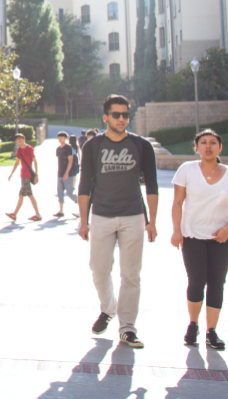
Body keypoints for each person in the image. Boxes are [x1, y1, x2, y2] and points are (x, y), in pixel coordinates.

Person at [77, 94, 158, 349]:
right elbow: (84, 184)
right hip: (101, 215)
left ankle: (127, 327)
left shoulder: (142, 146)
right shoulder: (93, 146)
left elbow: (153, 185)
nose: (122, 119)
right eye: (116, 115)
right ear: (105, 117)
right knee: (99, 269)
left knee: (131, 274)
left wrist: (151, 220)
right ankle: (109, 308)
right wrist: (83, 220)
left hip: (133, 216)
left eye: (125, 115)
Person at [170, 129, 228, 350]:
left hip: (221, 238)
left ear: (220, 148)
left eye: (213, 142)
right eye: (203, 142)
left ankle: (211, 331)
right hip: (192, 236)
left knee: (216, 283)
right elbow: (177, 203)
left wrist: (227, 228)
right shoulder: (186, 170)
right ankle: (193, 324)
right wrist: (177, 230)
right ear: (197, 147)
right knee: (196, 282)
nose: (208, 146)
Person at [6, 133, 41, 222]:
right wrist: (11, 174)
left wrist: (36, 175)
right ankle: (38, 215)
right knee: (30, 195)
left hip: (28, 175)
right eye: (17, 139)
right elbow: (17, 162)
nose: (19, 140)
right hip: (23, 175)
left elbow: (35, 161)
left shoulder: (29, 148)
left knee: (21, 194)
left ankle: (14, 214)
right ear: (16, 141)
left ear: (24, 138)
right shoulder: (19, 150)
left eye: (20, 138)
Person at [55, 131, 78, 218]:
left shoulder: (68, 148)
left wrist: (67, 172)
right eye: (59, 137)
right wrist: (59, 172)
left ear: (65, 138)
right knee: (60, 192)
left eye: (62, 137)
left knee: (69, 193)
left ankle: (81, 202)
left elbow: (70, 160)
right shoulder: (58, 149)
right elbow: (58, 161)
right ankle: (61, 211)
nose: (60, 139)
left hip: (68, 174)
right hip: (60, 173)